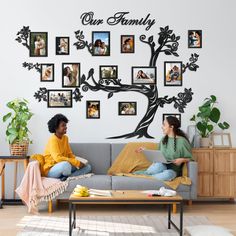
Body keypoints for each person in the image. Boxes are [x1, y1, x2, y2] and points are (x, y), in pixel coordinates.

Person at [135, 116, 193, 181]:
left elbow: (191, 158)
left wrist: (182, 160)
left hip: (173, 170)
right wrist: (145, 150)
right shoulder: (163, 140)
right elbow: (158, 155)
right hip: (161, 167)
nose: (162, 127)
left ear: (171, 127)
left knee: (168, 174)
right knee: (158, 166)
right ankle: (149, 176)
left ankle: (144, 177)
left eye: (164, 125)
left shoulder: (182, 141)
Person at [43, 114, 92, 180]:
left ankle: (67, 178)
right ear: (56, 128)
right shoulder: (53, 139)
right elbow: (57, 158)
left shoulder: (65, 138)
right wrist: (76, 162)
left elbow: (69, 154)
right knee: (65, 165)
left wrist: (79, 162)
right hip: (51, 169)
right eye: (63, 125)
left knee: (87, 167)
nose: (66, 127)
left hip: (65, 166)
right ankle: (69, 176)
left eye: (65, 125)